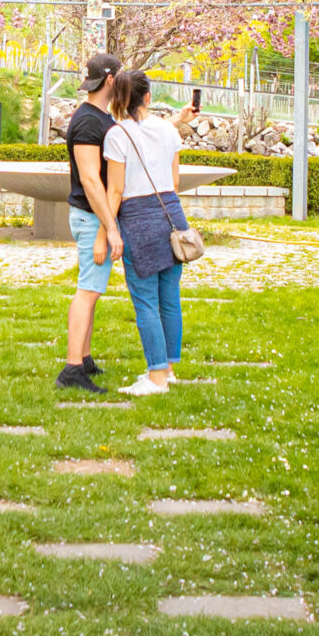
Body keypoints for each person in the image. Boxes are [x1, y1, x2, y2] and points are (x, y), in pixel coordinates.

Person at [100, 68, 197, 397]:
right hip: (172, 215)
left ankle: (155, 378)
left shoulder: (117, 135)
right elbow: (175, 182)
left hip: (138, 218)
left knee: (145, 302)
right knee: (169, 299)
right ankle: (167, 369)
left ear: (118, 100)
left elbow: (115, 191)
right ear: (148, 97)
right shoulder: (168, 131)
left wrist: (106, 233)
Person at [56, 53, 122, 394]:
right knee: (88, 290)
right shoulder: (87, 122)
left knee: (92, 290)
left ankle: (84, 358)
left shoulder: (99, 116)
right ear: (110, 80)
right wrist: (109, 228)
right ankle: (71, 368)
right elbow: (91, 180)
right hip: (89, 215)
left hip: (91, 215)